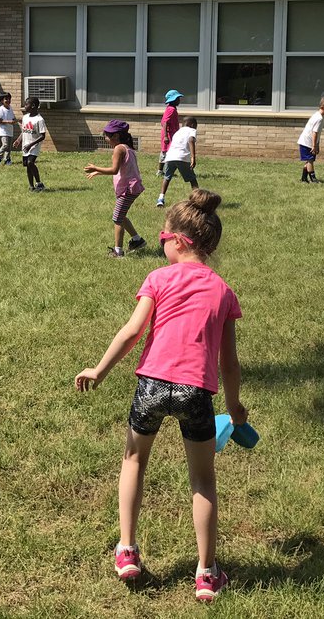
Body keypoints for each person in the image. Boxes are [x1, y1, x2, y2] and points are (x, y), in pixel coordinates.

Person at [75, 189, 244, 603]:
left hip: (151, 384)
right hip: (196, 392)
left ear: (180, 241)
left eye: (163, 236)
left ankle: (127, 549)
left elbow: (133, 332)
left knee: (134, 460)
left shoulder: (157, 278)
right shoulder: (223, 290)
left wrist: (99, 368)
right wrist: (236, 409)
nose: (160, 241)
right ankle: (206, 573)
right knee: (203, 479)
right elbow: (230, 364)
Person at [85, 119, 146, 257]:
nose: (106, 139)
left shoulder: (119, 148)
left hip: (128, 189)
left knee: (117, 218)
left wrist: (95, 167)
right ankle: (137, 240)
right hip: (129, 187)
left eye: (107, 136)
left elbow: (114, 170)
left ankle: (118, 251)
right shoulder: (126, 147)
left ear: (116, 136)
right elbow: (118, 170)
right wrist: (99, 172)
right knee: (121, 216)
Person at [156, 117, 198, 207]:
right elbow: (191, 140)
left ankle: (160, 198)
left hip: (170, 157)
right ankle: (198, 199)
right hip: (182, 157)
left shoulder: (177, 132)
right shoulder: (191, 130)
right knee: (192, 179)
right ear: (193, 125)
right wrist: (193, 157)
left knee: (167, 177)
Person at [296, 95, 324, 182]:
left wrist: (317, 144)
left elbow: (317, 133)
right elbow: (314, 132)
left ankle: (304, 178)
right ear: (322, 107)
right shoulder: (319, 118)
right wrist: (314, 146)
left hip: (309, 142)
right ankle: (313, 179)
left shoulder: (319, 116)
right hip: (307, 142)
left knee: (309, 160)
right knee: (310, 160)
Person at [13, 96, 47, 191]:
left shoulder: (39, 120)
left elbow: (42, 136)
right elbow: (24, 131)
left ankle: (39, 184)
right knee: (27, 166)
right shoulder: (25, 117)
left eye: (26, 104)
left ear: (33, 106)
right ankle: (31, 186)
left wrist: (30, 145)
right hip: (25, 145)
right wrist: (18, 140)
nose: (24, 106)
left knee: (30, 162)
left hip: (34, 146)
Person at [158, 90, 184, 177]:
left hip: (171, 133)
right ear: (173, 100)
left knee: (167, 152)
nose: (179, 101)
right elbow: (165, 122)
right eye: (178, 99)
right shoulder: (171, 109)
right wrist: (166, 136)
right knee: (167, 152)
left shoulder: (171, 108)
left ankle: (162, 171)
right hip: (168, 134)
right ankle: (163, 171)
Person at [0, 92, 17, 167]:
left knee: (8, 147)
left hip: (10, 130)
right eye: (6, 99)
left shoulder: (10, 108)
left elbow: (13, 118)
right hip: (4, 131)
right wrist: (9, 122)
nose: (8, 100)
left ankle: (7, 160)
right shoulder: (0, 109)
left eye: (9, 99)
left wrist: (17, 121)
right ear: (2, 100)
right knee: (5, 145)